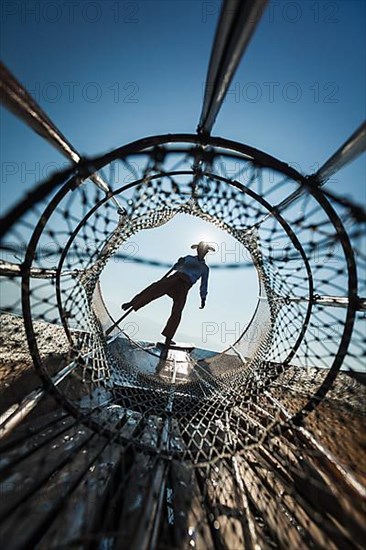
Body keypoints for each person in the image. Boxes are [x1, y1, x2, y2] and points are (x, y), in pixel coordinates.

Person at [121, 241, 214, 347]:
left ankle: (168, 338)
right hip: (175, 279)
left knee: (177, 310)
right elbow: (176, 267)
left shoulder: (205, 269)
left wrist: (203, 298)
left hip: (184, 287)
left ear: (206, 252)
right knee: (154, 288)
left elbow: (204, 284)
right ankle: (133, 303)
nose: (201, 251)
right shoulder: (188, 258)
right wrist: (179, 263)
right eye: (200, 249)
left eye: (203, 250)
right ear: (197, 250)